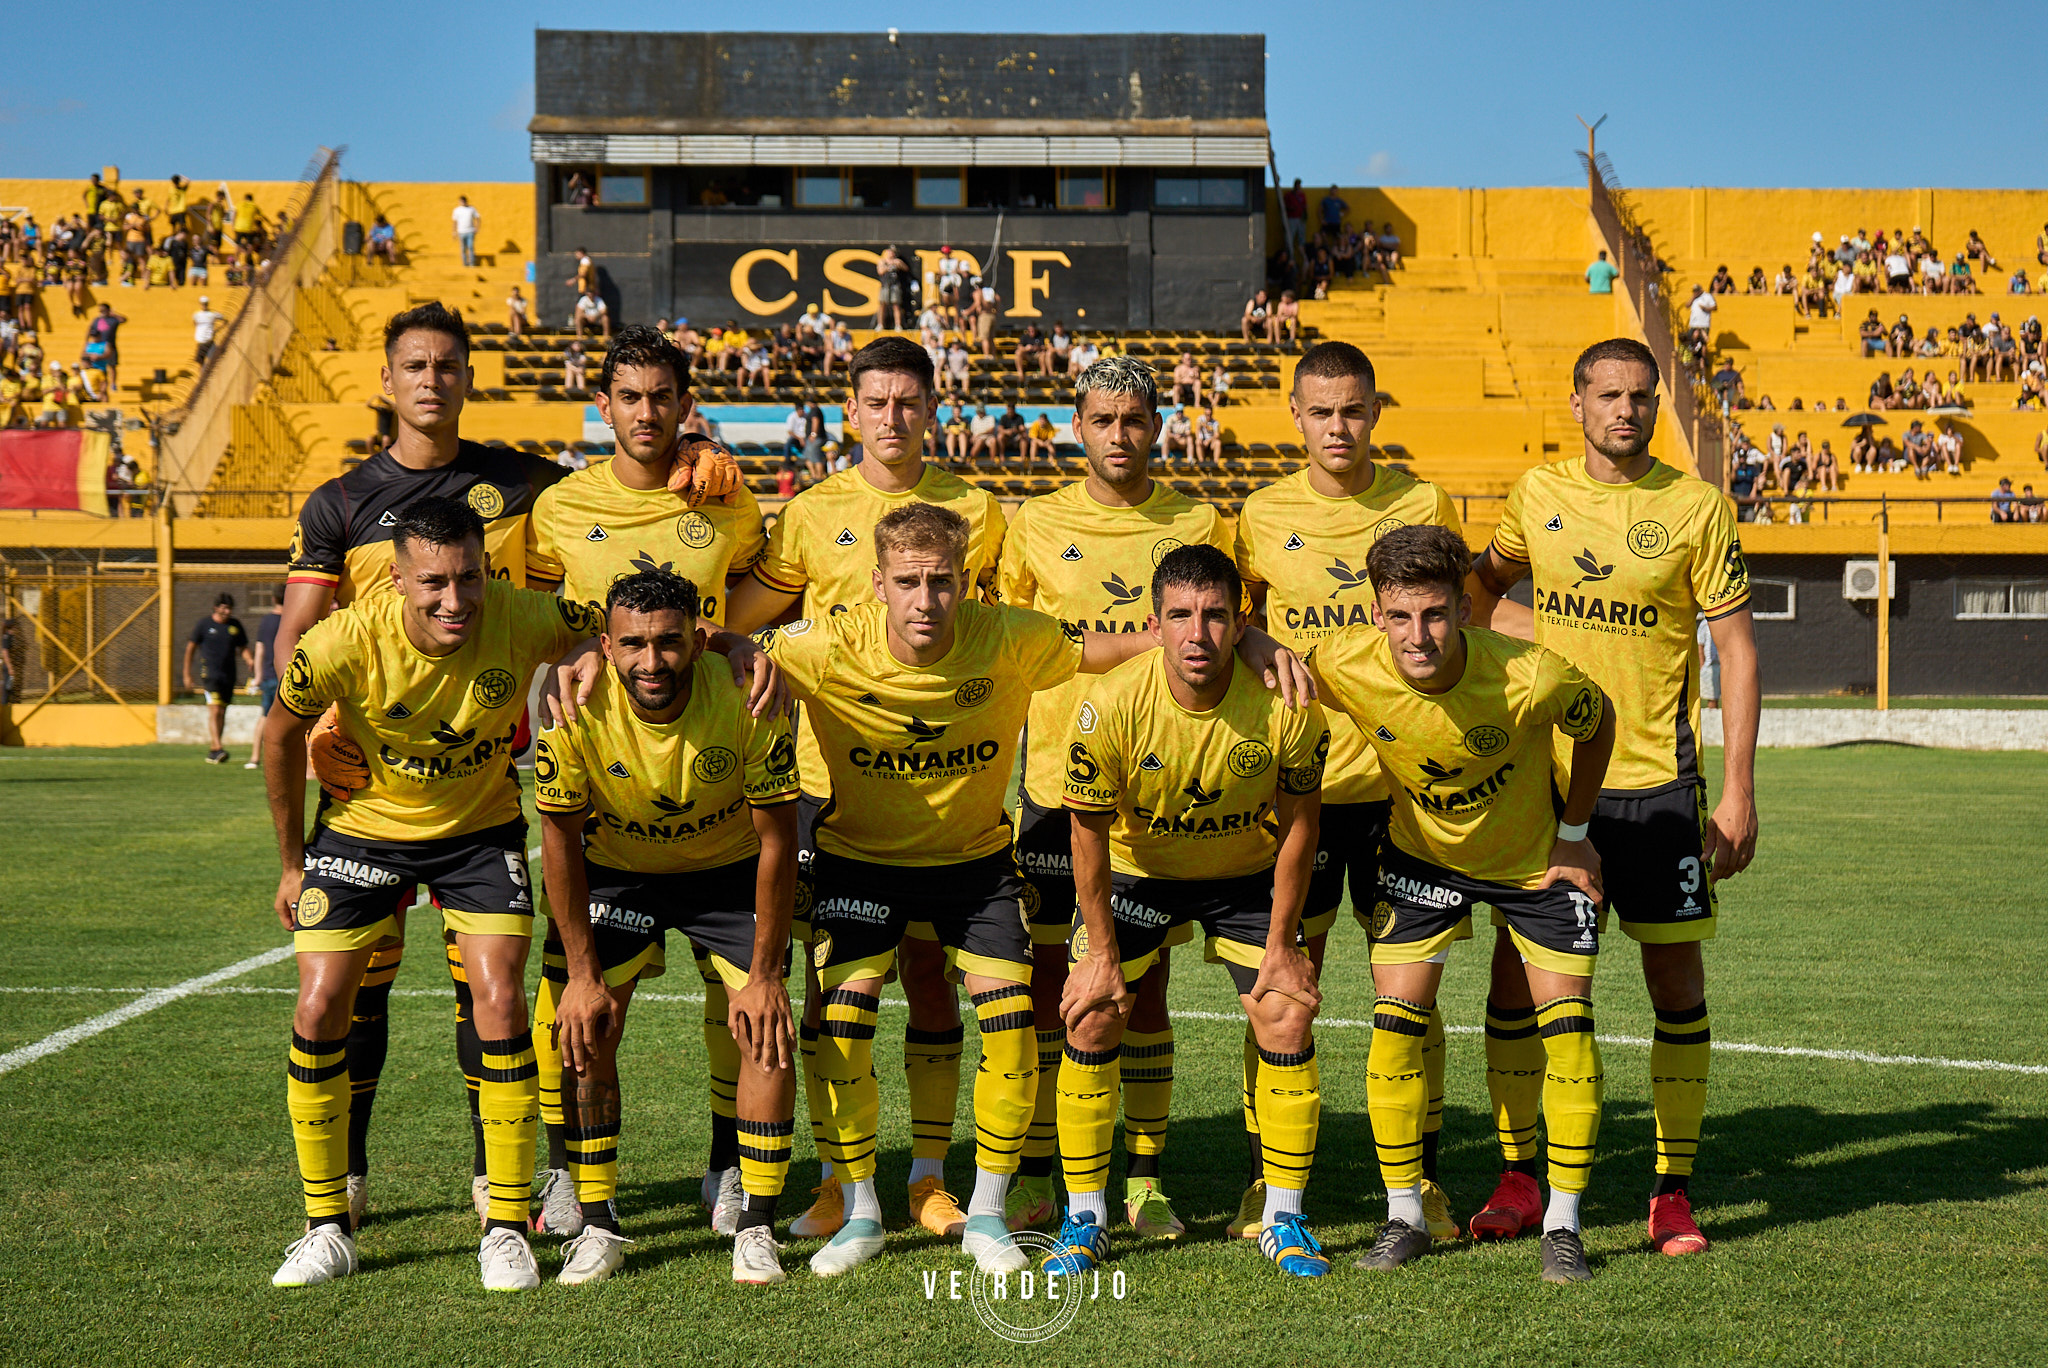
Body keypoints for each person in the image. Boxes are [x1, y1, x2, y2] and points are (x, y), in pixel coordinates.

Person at [279, 303, 739, 1233]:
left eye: (448, 365)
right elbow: (300, 632)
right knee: (354, 989)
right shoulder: (338, 501)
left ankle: (501, 1183)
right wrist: (318, 718)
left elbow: (629, 479)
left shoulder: (525, 484)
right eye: (415, 366)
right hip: (368, 774)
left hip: (487, 781)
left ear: (469, 377)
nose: (432, 380)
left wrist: (694, 448)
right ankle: (348, 1177)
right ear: (386, 380)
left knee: (484, 993)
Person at [755, 503, 1281, 1279]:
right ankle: (860, 1211)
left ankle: (988, 1213)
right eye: (908, 582)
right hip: (860, 860)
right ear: (877, 584)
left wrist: (1247, 639)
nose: (926, 600)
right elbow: (732, 650)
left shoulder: (1007, 634)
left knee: (1010, 1022)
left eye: (942, 581)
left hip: (974, 865)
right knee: (842, 1022)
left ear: (967, 581)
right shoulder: (828, 643)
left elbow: (1107, 645)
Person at [687, 337, 1008, 1245]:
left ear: (933, 408)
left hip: (944, 784)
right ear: (852, 410)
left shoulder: (979, 511)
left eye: (909, 401)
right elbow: (739, 619)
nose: (893, 417)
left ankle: (930, 1179)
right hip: (824, 786)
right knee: (831, 990)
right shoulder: (810, 511)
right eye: (878, 402)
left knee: (933, 981)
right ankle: (838, 1181)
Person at [259, 497, 611, 1290]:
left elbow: (612, 622)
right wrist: (290, 864)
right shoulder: (342, 641)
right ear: (397, 579)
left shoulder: (522, 614)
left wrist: (592, 648)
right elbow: (279, 735)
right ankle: (325, 1226)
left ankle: (506, 1227)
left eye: (469, 579)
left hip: (477, 836)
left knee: (502, 1002)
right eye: (434, 584)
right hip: (360, 832)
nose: (456, 600)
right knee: (318, 1005)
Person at [1470, 337, 1760, 1261]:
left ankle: (1671, 1193)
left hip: (1660, 788)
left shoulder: (1695, 507)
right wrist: (1526, 639)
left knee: (1676, 985)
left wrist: (1740, 790)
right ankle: (1521, 1178)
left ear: (1656, 402)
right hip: (1549, 788)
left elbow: (1737, 650)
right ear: (1577, 402)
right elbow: (1478, 592)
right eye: (1608, 395)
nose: (1625, 410)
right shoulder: (1536, 494)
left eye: (1640, 396)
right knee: (1519, 981)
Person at [1295, 524, 1615, 1284]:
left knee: (1568, 1033)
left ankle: (1563, 1224)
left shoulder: (1530, 676)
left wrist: (1576, 835)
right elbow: (1277, 671)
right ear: (1377, 615)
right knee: (1394, 1028)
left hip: (1532, 864)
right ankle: (1404, 1214)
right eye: (1400, 616)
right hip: (1422, 859)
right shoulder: (1343, 661)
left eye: (1435, 614)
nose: (1418, 635)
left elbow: (1599, 718)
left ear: (1464, 609)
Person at [997, 355, 1242, 1238]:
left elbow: (1233, 627)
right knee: (1046, 983)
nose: (1119, 435)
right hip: (1052, 787)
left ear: (1158, 425)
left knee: (1146, 987)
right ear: (1076, 425)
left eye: (1134, 419)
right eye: (1102, 420)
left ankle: (1142, 1181)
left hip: (1157, 794)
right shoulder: (1034, 523)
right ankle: (1039, 1170)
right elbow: (1011, 642)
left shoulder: (1200, 520)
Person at [1230, 339, 1467, 1242]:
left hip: (1406, 791)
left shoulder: (1423, 503)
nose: (1339, 426)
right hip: (1301, 789)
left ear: (1376, 411)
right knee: (1281, 989)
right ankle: (1268, 1180)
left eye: (1354, 410)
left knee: (1411, 999)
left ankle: (1422, 1182)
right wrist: (1255, 638)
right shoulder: (1260, 515)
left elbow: (1456, 627)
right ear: (1295, 415)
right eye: (1322, 411)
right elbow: (1235, 621)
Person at [1048, 542, 1330, 1281]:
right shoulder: (1110, 704)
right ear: (1154, 624)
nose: (1196, 634)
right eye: (1179, 616)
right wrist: (1100, 954)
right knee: (1092, 1014)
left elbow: (1300, 826)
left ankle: (1283, 1217)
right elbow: (1086, 836)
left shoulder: (1287, 706)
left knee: (1286, 1011)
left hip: (1242, 873)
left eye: (1214, 616)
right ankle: (1086, 1218)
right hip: (1138, 872)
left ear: (1241, 624)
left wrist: (1282, 944)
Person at [534, 568, 800, 1285]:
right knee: (584, 1026)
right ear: (606, 646)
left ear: (698, 640)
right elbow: (558, 843)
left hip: (728, 872)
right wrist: (581, 976)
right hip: (619, 872)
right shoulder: (572, 708)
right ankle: (597, 1223)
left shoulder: (747, 696)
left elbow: (778, 840)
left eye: (669, 643)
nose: (651, 662)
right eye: (633, 645)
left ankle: (757, 1226)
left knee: (766, 1032)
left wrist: (767, 975)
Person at [182, 591, 251, 763]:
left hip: (229, 675)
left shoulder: (235, 626)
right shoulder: (204, 625)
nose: (227, 612)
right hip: (210, 674)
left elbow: (243, 647)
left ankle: (214, 750)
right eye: (224, 608)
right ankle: (218, 747)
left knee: (222, 711)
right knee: (214, 709)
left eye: (229, 609)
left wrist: (250, 660)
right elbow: (190, 648)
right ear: (216, 608)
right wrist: (187, 674)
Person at [243, 589, 286, 768]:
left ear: (274, 598)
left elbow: (259, 649)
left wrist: (258, 676)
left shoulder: (267, 621)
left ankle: (255, 757)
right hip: (286, 675)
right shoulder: (290, 620)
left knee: (265, 716)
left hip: (268, 676)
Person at [1281, 179, 1308, 259]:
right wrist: (1291, 208)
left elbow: (1305, 206)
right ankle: (1289, 256)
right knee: (1289, 238)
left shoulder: (1302, 195)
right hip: (1292, 218)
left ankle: (1304, 258)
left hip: (1300, 219)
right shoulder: (1289, 195)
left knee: (1301, 239)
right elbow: (1283, 206)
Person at [451, 196, 481, 269]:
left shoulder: (471, 209)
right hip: (461, 232)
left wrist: (477, 228)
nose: (463, 202)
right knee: (463, 248)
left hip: (470, 231)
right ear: (459, 202)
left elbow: (478, 218)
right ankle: (465, 264)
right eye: (461, 201)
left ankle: (472, 263)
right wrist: (454, 231)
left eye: (464, 201)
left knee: (470, 246)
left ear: (466, 201)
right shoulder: (457, 210)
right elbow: (455, 222)